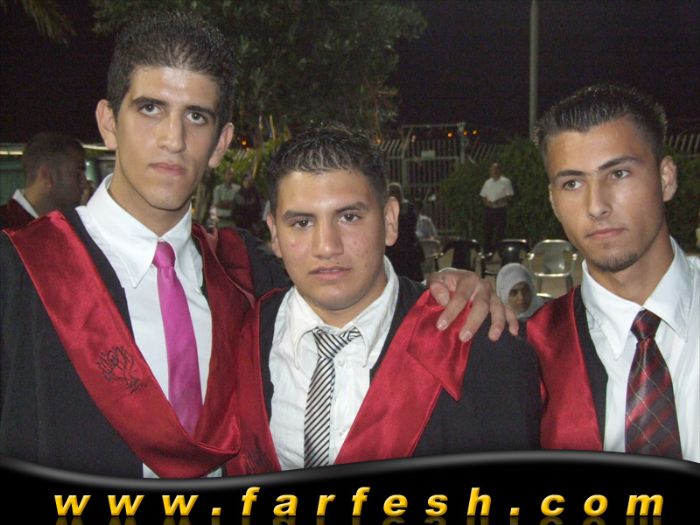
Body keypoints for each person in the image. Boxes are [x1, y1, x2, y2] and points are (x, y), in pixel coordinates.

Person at [0, 10, 516, 479]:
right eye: (151, 108)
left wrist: (453, 286)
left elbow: (353, 283)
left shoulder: (241, 271)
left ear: (221, 143)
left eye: (196, 116)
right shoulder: (19, 272)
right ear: (108, 123)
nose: (173, 139)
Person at [226, 124, 541, 474]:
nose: (327, 246)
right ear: (274, 234)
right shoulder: (237, 340)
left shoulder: (481, 350)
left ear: (390, 221)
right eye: (302, 223)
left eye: (349, 217)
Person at [528, 83, 699, 462]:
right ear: (553, 200)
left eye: (619, 173)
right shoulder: (530, 350)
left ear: (666, 178)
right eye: (573, 183)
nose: (596, 205)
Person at [0, 132, 87, 229]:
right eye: (78, 174)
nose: (84, 184)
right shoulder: (7, 230)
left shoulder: (71, 225)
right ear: (48, 175)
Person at [385, 181, 424, 281]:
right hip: (395, 247)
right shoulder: (387, 208)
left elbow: (411, 225)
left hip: (406, 246)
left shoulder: (408, 208)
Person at [479, 162, 513, 257]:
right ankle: (487, 253)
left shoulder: (505, 182)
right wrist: (487, 202)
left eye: (496, 170)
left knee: (500, 232)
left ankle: (501, 252)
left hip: (500, 209)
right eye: (492, 170)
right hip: (489, 209)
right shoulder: (487, 182)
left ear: (499, 171)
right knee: (487, 231)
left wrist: (499, 201)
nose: (494, 172)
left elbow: (509, 195)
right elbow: (483, 195)